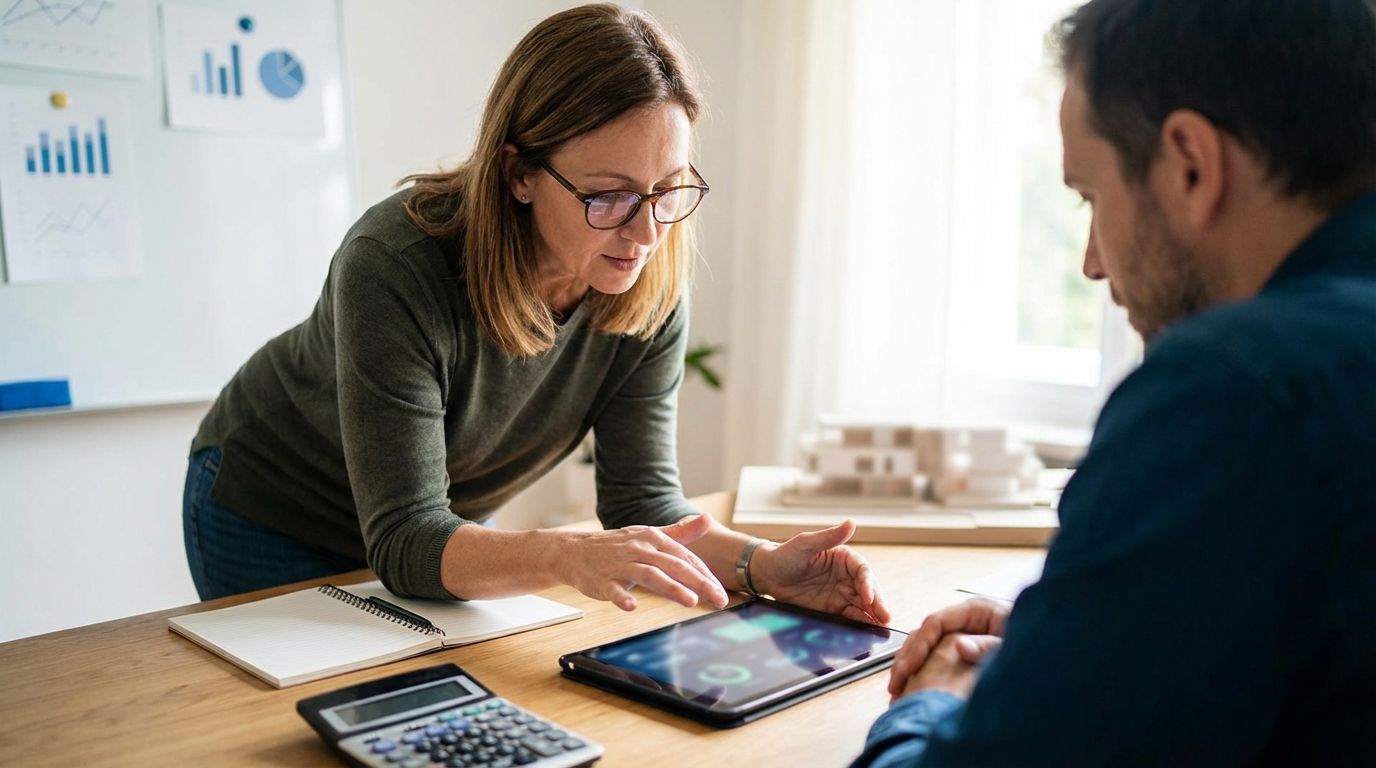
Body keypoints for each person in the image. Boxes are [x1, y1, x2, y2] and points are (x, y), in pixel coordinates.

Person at [182, 3, 890, 629]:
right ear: (518, 173)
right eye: (608, 196)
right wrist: (562, 553)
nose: (646, 233)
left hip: (440, 523)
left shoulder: (646, 281)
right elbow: (403, 539)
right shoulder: (395, 264)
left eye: (667, 189)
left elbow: (643, 500)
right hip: (277, 504)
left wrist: (764, 566)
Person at [853, 0, 1376, 765]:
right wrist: (1079, 640)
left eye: (1092, 197)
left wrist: (932, 700)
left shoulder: (1232, 390)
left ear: (1191, 164)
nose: (1092, 263)